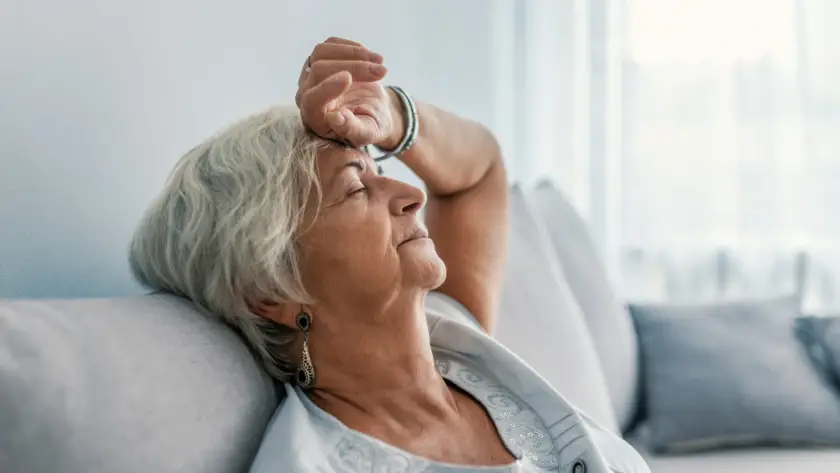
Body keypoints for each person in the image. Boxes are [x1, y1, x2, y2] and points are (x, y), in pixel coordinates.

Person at [129, 37, 650, 473]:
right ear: (271, 290)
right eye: (357, 188)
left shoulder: (454, 334)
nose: (412, 195)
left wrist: (390, 117)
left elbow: (477, 171)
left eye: (378, 171)